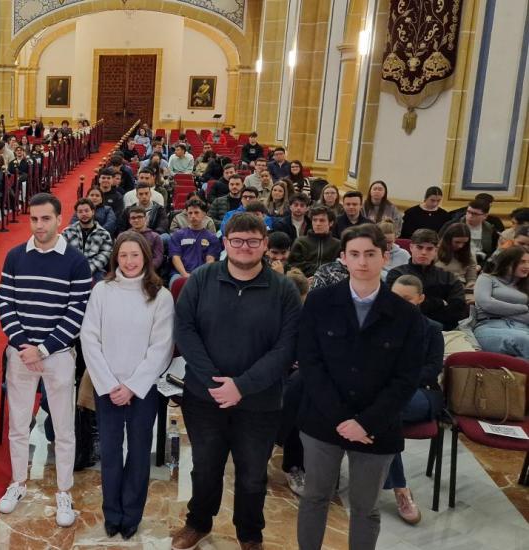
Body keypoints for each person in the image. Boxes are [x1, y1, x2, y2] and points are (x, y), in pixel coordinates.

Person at [171, 213, 300, 550]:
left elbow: (286, 348)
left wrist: (241, 385)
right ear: (225, 243)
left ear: (265, 245)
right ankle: (198, 522)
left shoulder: (283, 290)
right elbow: (185, 330)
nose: (245, 247)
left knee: (252, 474)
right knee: (205, 468)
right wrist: (215, 382)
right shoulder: (201, 279)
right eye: (238, 240)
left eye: (253, 241)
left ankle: (250, 534)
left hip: (260, 402)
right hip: (204, 397)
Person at [296, 224, 426, 550]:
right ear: (343, 258)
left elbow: (406, 378)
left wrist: (365, 422)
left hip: (376, 425)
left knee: (366, 508)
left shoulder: (407, 315)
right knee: (314, 497)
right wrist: (342, 419)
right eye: (355, 254)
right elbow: (311, 364)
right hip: (324, 418)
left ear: (385, 257)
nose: (363, 262)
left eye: (370, 254)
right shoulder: (320, 302)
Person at [0, 193, 91, 528]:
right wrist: (24, 345)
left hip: (59, 355)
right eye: (34, 219)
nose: (39, 225)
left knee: (64, 428)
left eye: (45, 219)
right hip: (21, 354)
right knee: (19, 424)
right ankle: (18, 483)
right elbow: (5, 303)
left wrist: (44, 349)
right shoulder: (15, 256)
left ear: (59, 220)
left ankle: (64, 491)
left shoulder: (77, 262)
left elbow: (76, 313)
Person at [81, 231, 173, 540]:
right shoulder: (103, 291)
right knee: (109, 452)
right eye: (123, 255)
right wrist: (109, 384)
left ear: (146, 257)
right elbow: (89, 338)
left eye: (135, 255)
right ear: (115, 258)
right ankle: (113, 512)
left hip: (142, 390)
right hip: (107, 387)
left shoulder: (160, 295)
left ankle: (132, 513)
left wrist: (133, 386)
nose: (129, 261)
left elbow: (161, 346)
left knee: (137, 452)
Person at [383, 275, 445, 525]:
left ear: (420, 299)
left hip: (422, 392)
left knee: (384, 412)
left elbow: (431, 369)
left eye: (407, 299)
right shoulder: (380, 324)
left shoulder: (432, 329)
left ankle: (400, 489)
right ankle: (399, 487)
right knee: (385, 413)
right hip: (388, 394)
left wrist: (400, 380)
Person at [386, 229, 468, 330]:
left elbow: (459, 310)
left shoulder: (448, 277)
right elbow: (396, 306)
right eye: (419, 247)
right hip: (405, 328)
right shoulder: (396, 274)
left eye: (429, 249)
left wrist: (422, 307)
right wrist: (439, 303)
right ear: (411, 247)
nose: (424, 252)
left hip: (445, 331)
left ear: (436, 250)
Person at [472, 247, 529, 359]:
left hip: (522, 328)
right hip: (490, 327)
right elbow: (486, 304)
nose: (527, 266)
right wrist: (523, 308)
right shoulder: (487, 279)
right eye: (522, 262)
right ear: (507, 262)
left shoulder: (526, 286)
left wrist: (498, 309)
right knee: (523, 340)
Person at [169, 199, 221, 281]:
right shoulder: (178, 235)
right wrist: (185, 274)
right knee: (176, 282)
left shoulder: (212, 238)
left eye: (196, 212)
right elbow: (175, 257)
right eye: (190, 213)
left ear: (204, 214)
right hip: (180, 274)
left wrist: (198, 277)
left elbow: (210, 260)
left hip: (204, 275)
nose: (193, 216)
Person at [62, 198, 114, 280]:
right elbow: (63, 253)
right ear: (77, 214)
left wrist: (88, 270)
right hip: (72, 269)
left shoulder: (104, 234)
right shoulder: (67, 232)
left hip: (95, 271)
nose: (84, 214)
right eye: (80, 212)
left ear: (93, 212)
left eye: (86, 211)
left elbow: (105, 255)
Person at [290, 206, 341, 277]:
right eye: (314, 220)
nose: (318, 224)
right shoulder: (300, 242)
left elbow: (340, 267)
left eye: (322, 220)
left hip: (330, 283)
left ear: (331, 223)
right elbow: (294, 264)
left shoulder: (338, 245)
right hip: (304, 281)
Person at [436, 222, 478, 288]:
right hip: (439, 285)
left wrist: (471, 283)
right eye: (457, 242)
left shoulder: (469, 253)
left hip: (461, 286)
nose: (461, 246)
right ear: (448, 239)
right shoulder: (435, 251)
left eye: (464, 243)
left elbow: (471, 275)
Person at [125, 206, 164, 271]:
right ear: (129, 220)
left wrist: (144, 269)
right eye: (133, 218)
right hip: (127, 270)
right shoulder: (123, 237)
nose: (136, 220)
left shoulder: (155, 237)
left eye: (139, 217)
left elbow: (158, 259)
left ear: (146, 218)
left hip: (148, 271)